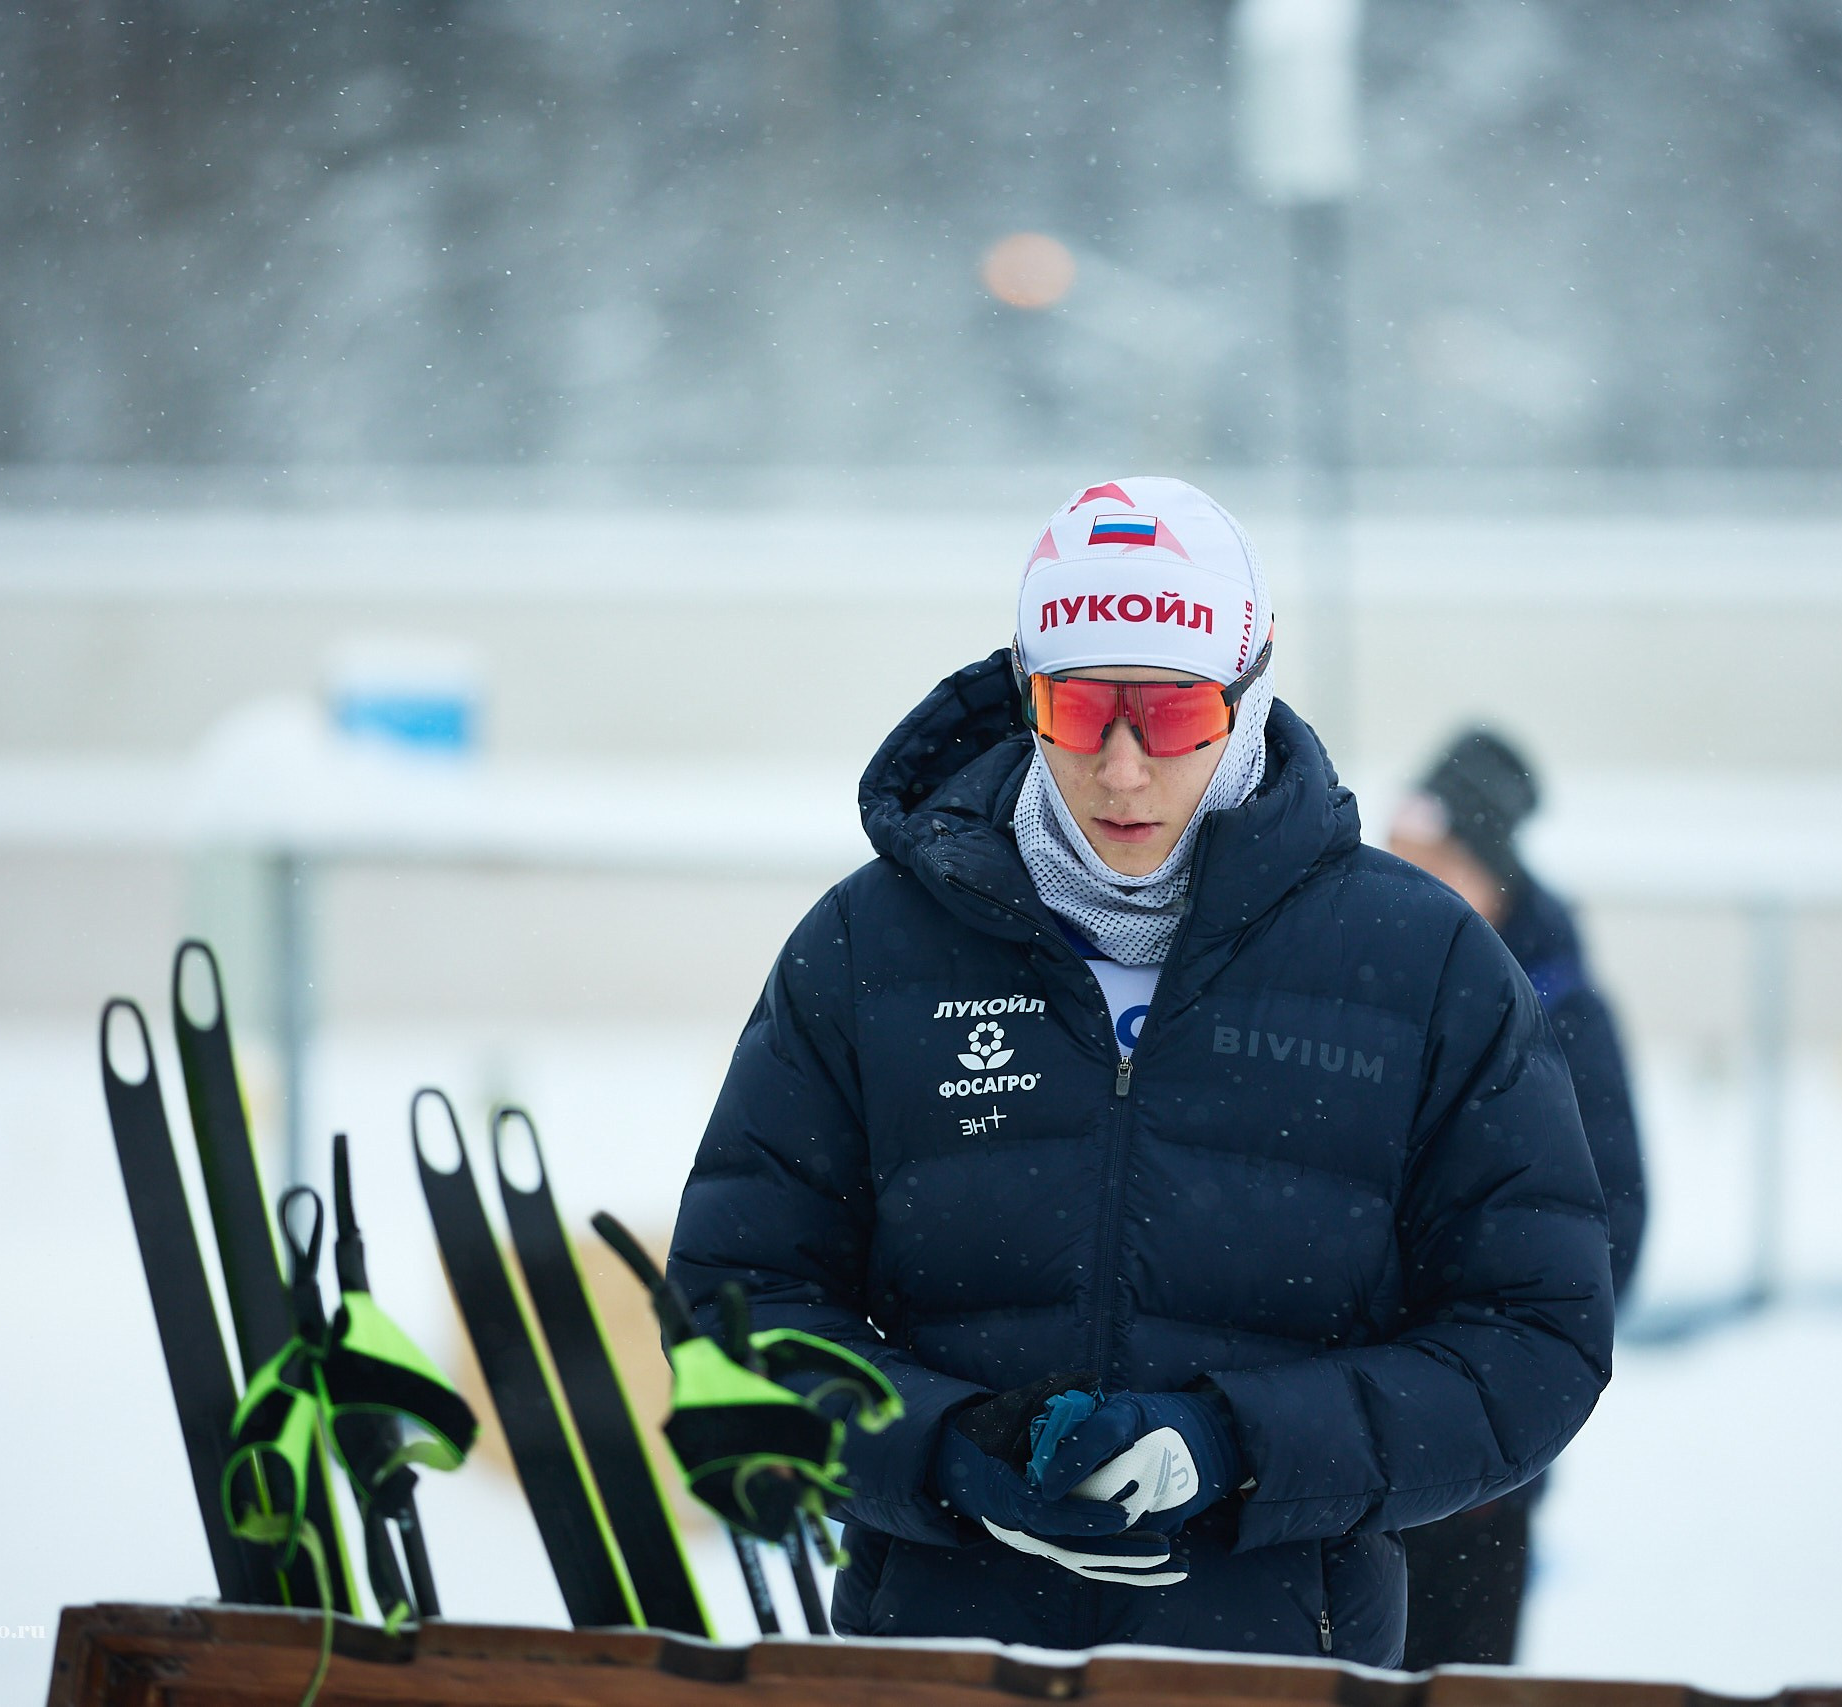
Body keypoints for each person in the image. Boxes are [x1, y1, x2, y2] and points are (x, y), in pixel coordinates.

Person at [668, 477, 1613, 1665]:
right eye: (1078, 711)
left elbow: (1535, 1339)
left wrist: (1238, 1448)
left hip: (1274, 1671)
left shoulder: (1417, 966)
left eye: (1169, 719)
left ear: (1250, 689)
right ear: (1025, 693)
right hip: (940, 1667)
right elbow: (733, 1315)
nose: (1121, 771)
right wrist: (944, 1452)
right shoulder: (869, 951)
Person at [1385, 729, 1648, 1668]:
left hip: (1478, 1448)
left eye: (1434, 864)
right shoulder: (1375, 987)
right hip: (1354, 1435)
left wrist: (1507, 1373)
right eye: (1398, 859)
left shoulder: (1557, 1011)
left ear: (1490, 876)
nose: (1405, 884)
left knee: (1458, 1670)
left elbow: (1609, 1218)